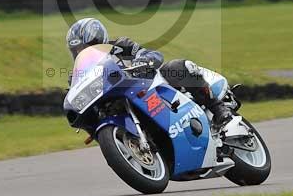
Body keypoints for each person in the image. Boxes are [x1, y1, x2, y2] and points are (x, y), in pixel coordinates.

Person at [65, 17, 233, 125]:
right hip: (118, 102)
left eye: (84, 47)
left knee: (176, 67)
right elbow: (74, 92)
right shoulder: (78, 74)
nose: (81, 52)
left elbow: (152, 54)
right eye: (77, 50)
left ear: (98, 39)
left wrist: (142, 60)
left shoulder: (120, 46)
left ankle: (218, 108)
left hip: (150, 86)